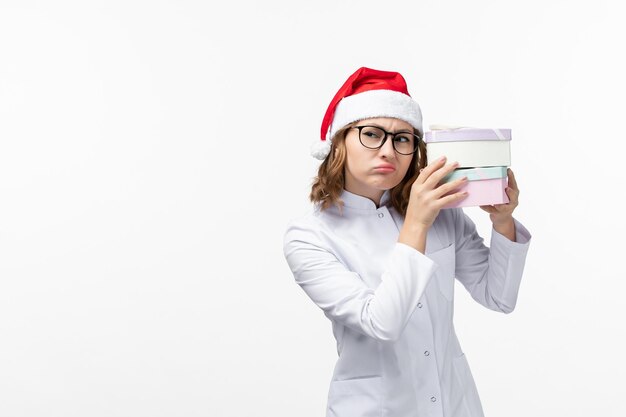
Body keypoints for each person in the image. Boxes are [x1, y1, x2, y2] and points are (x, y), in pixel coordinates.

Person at [282, 67, 531, 417]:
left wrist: (502, 220)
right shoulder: (310, 237)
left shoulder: (443, 214)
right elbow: (381, 322)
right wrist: (416, 222)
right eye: (371, 134)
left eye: (402, 138)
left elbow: (499, 297)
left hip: (454, 403)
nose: (388, 151)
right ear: (339, 142)